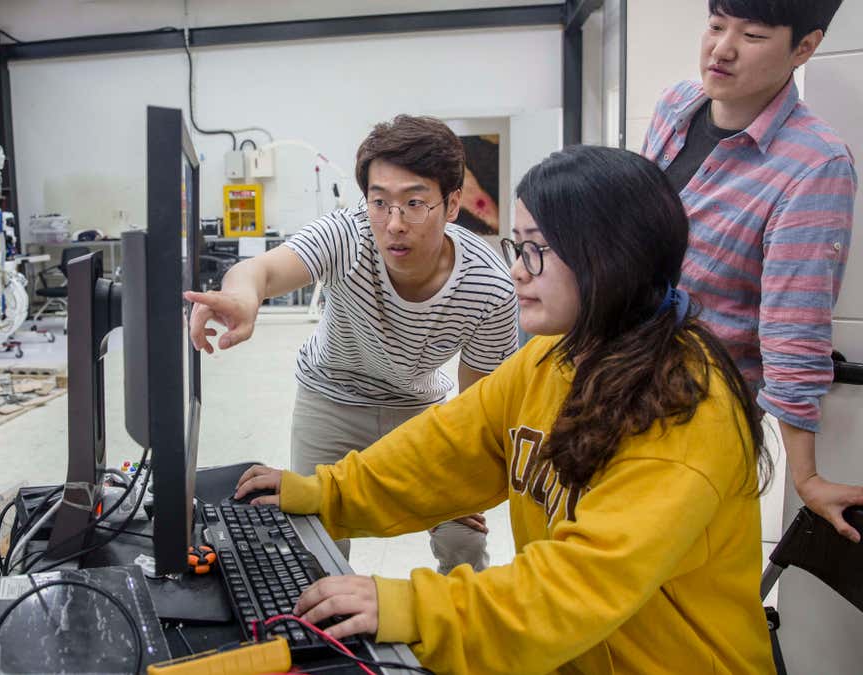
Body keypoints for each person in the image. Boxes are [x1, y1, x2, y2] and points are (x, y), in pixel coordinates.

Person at [234, 146, 776, 674]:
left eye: (537, 250)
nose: (517, 270)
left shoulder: (683, 410)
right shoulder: (552, 356)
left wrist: (411, 607)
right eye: (517, 247)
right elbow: (444, 449)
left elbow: (576, 587)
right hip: (566, 654)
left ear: (611, 258)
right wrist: (322, 493)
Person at [186, 115, 519, 572]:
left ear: (453, 203)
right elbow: (260, 271)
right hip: (330, 397)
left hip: (417, 409)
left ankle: (462, 629)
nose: (393, 224)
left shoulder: (489, 287)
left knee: (463, 533)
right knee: (315, 537)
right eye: (379, 202)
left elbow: (481, 405)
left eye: (415, 203)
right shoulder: (348, 234)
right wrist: (242, 296)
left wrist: (464, 483)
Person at [641, 0, 862, 541]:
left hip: (700, 410)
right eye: (716, 26)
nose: (722, 48)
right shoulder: (676, 106)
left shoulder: (814, 164)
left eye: (754, 35)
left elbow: (794, 327)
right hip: (619, 378)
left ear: (803, 48)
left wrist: (805, 476)